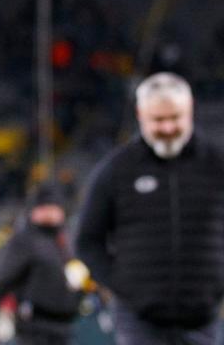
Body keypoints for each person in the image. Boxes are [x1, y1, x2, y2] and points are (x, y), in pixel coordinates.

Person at [75, 72, 224, 345]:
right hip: (139, 321)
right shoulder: (116, 170)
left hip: (203, 319)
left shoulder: (216, 164)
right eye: (158, 120)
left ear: (190, 111)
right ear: (140, 114)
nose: (167, 128)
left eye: (175, 118)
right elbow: (86, 241)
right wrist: (124, 286)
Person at [0, 182, 82, 345]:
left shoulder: (65, 239)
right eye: (45, 207)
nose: (50, 212)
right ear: (34, 210)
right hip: (35, 329)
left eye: (54, 207)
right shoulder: (24, 240)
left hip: (66, 326)